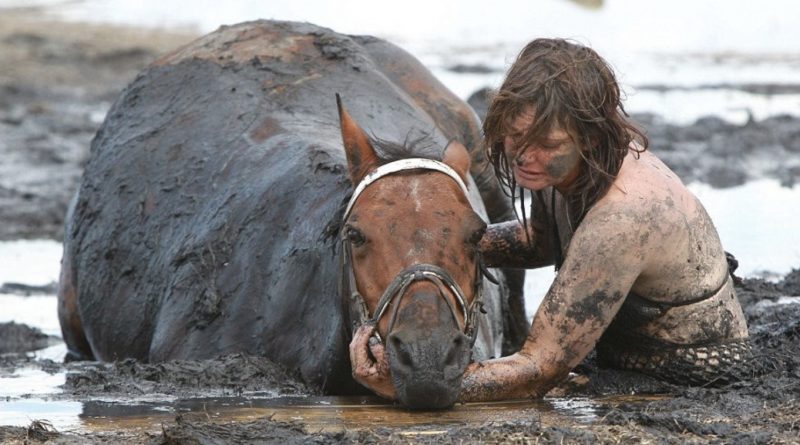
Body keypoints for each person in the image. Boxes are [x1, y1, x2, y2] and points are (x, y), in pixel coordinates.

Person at [349, 38, 750, 401]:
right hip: (620, 356)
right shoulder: (565, 166)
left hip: (689, 374)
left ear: (591, 136)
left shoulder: (624, 217)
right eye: (515, 136)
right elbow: (542, 241)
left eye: (547, 144)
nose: (524, 156)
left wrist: (412, 381)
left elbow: (539, 368)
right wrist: (441, 248)